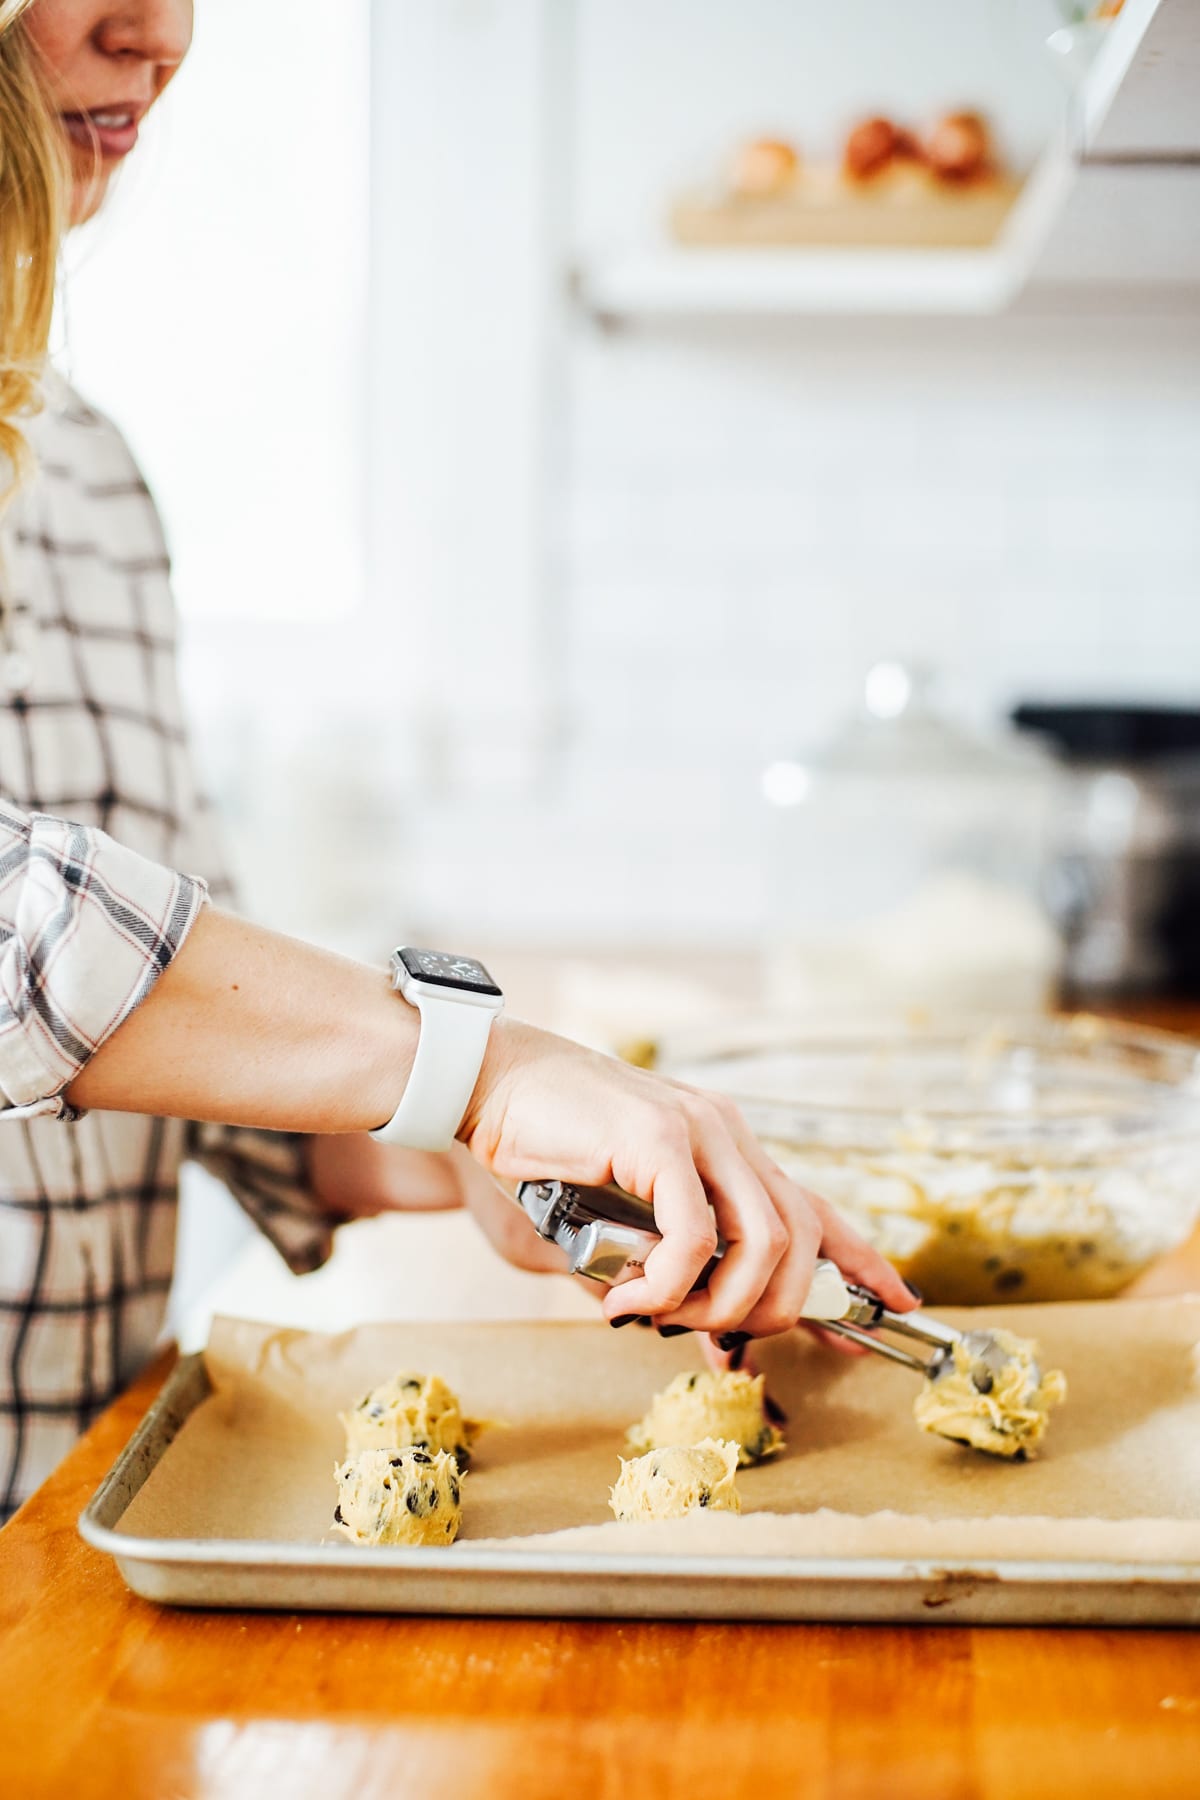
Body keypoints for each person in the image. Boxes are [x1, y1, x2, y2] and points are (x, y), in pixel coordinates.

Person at [0, 0, 914, 1521]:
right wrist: (476, 1070)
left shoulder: (81, 463)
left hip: (53, 1537)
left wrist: (474, 1156)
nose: (158, 31)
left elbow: (153, 1031)